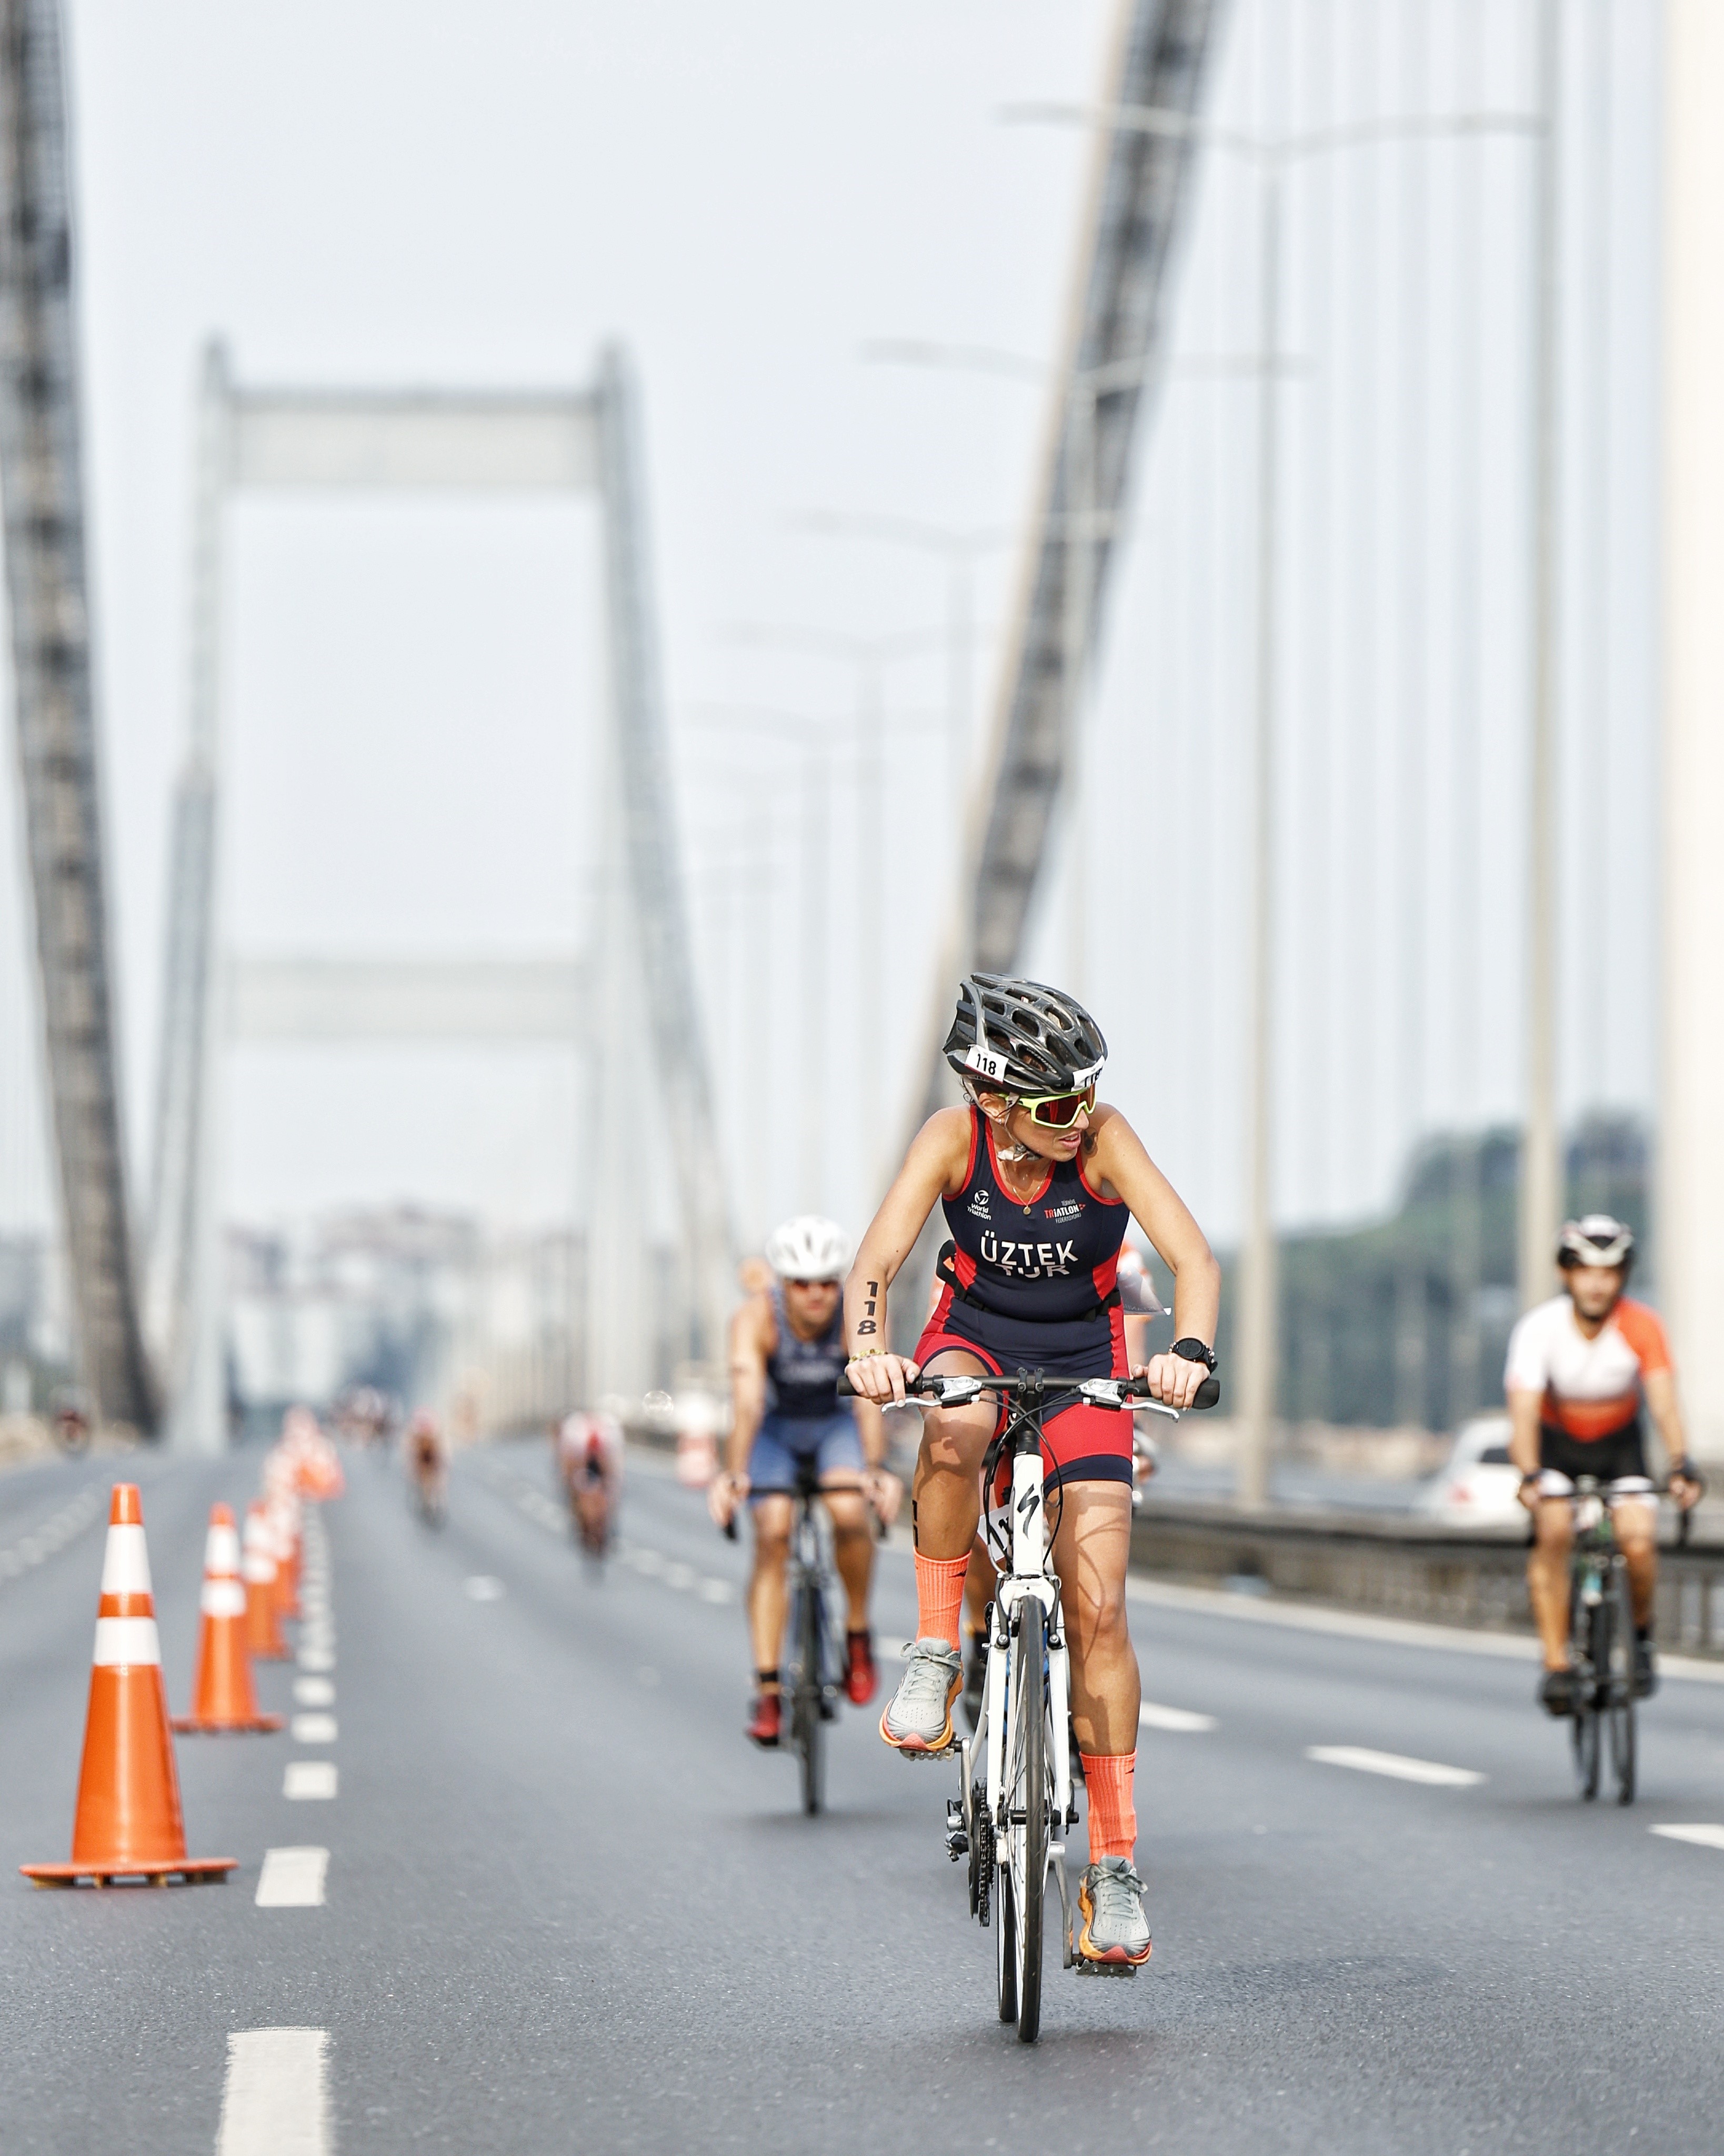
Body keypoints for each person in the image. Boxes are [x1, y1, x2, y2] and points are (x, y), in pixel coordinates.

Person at [845, 974, 1220, 1969]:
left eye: (1088, 1093)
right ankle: (934, 1654)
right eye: (1059, 1103)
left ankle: (1113, 1870)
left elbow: (1193, 1259)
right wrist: (873, 1349)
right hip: (973, 1341)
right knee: (953, 1424)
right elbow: (874, 1267)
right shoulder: (950, 1141)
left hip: (1088, 1365)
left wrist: (1190, 1352)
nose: (1079, 1116)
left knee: (1100, 1614)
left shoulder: (1102, 1142)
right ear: (993, 1098)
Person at [709, 1215, 902, 1748]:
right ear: (781, 1283)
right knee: (772, 1533)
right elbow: (747, 1401)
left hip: (835, 1425)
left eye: (826, 1281)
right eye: (801, 1283)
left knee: (847, 1512)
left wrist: (875, 1469)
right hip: (776, 1429)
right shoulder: (754, 1319)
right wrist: (734, 1473)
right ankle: (769, 1689)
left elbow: (868, 1397)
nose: (816, 1295)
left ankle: (857, 1633)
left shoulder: (853, 1315)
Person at [1507, 1215, 1702, 1713]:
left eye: (1610, 1272)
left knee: (1637, 1539)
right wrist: (1529, 1475)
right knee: (1553, 1531)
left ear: (1623, 1277)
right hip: (1558, 1448)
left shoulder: (1642, 1325)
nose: (1597, 1284)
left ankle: (1639, 1636)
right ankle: (1556, 1664)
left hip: (1620, 1447)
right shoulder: (1540, 1329)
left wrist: (1681, 1463)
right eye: (1586, 1271)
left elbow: (1662, 1403)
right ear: (1567, 1274)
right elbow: (1524, 1414)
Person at [557, 1409, 624, 1551]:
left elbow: (614, 1470)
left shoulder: (610, 1430)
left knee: (611, 1491)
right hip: (580, 1462)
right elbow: (568, 1465)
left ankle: (604, 1525)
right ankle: (582, 1521)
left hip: (604, 1461)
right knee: (575, 1488)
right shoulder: (574, 1430)